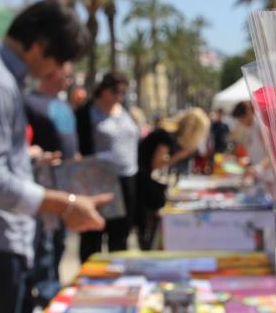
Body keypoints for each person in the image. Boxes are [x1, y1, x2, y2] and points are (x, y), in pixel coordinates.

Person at [0, 0, 112, 313]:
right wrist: (66, 203)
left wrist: (24, 159)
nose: (59, 71)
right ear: (38, 46)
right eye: (59, 60)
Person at [24, 62, 78, 308]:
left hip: (65, 185)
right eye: (65, 74)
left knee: (59, 242)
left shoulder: (64, 105)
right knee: (44, 244)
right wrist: (36, 157)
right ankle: (46, 295)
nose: (68, 79)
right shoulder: (29, 104)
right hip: (43, 184)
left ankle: (53, 292)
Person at [75, 72, 140, 262]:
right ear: (103, 90)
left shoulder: (125, 110)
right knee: (93, 233)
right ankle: (89, 277)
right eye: (116, 91)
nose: (120, 95)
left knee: (120, 234)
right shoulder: (87, 113)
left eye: (123, 92)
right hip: (98, 180)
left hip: (126, 179)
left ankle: (118, 276)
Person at [136, 108, 210, 250]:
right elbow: (157, 164)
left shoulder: (168, 134)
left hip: (148, 184)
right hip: (146, 186)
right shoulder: (165, 137)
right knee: (149, 229)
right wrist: (179, 156)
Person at [231, 101, 276, 191]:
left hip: (271, 178)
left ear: (248, 113)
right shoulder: (249, 129)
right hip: (262, 178)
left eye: (241, 119)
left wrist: (258, 168)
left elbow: (273, 153)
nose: (241, 122)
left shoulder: (259, 126)